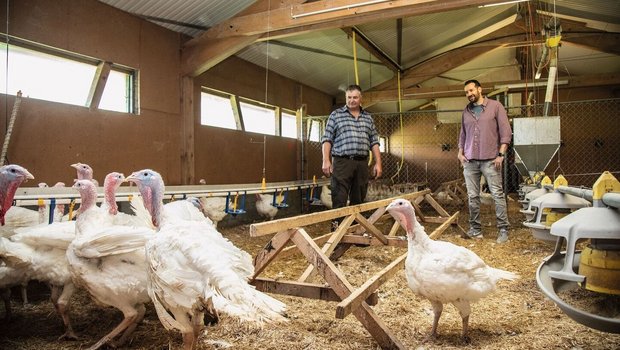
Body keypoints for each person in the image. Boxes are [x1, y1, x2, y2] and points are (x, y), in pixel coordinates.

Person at [458, 79, 512, 243]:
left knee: (497, 194)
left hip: (491, 159)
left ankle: (503, 230)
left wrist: (501, 154)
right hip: (469, 160)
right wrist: (460, 153)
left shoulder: (495, 107)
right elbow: (462, 134)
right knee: (472, 196)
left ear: (480, 89)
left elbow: (506, 132)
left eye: (471, 90)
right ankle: (475, 230)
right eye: (467, 92)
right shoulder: (466, 112)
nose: (469, 94)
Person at [321, 84, 382, 224]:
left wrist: (378, 163)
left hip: (362, 163)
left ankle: (356, 232)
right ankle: (338, 235)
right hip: (342, 162)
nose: (351, 100)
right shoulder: (336, 115)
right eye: (349, 97)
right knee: (339, 197)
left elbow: (374, 142)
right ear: (346, 98)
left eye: (355, 97)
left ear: (361, 98)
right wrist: (326, 160)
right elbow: (327, 138)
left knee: (359, 198)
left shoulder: (368, 118)